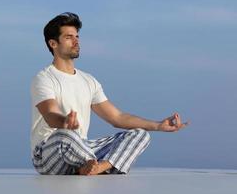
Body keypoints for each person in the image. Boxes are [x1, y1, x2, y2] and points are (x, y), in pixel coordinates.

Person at [31, 12, 189, 175]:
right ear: (53, 43)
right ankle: (94, 165)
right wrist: (65, 122)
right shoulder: (44, 78)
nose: (76, 41)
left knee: (140, 134)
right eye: (69, 37)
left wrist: (158, 125)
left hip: (81, 150)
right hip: (49, 154)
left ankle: (97, 167)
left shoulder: (88, 80)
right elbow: (50, 114)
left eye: (77, 36)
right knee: (65, 136)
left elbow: (117, 118)